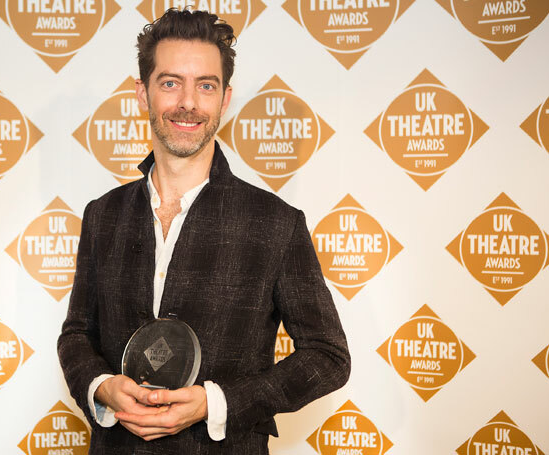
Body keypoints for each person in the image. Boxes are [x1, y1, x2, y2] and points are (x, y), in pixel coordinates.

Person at [58, 8, 350, 454]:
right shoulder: (104, 215)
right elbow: (77, 334)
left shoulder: (275, 221)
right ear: (143, 93)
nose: (188, 103)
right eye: (170, 83)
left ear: (225, 99)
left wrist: (216, 402)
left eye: (206, 85)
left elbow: (328, 358)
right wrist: (101, 387)